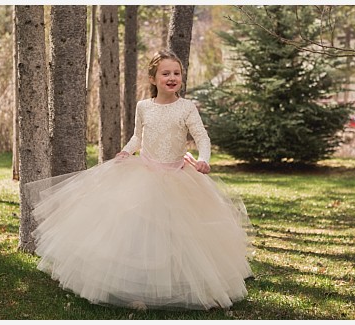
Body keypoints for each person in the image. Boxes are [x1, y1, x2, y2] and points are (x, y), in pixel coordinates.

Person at [28, 50, 254, 311]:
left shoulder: (187, 107)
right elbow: (137, 136)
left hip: (178, 176)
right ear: (154, 79)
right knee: (139, 234)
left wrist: (204, 159)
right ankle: (137, 287)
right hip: (145, 173)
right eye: (166, 73)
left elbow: (202, 137)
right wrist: (126, 150)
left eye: (176, 73)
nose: (172, 78)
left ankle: (185, 286)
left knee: (180, 236)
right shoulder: (144, 106)